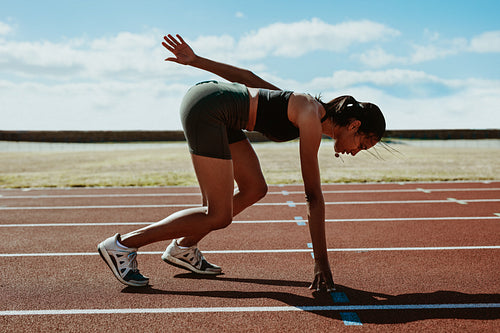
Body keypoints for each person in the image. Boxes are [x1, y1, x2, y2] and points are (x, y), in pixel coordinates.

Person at [98, 34, 385, 291]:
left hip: (220, 112)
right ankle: (122, 246)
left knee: (254, 188)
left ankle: (183, 248)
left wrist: (196, 60)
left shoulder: (309, 108)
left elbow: (249, 77)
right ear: (354, 125)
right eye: (362, 144)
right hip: (209, 108)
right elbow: (312, 195)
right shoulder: (310, 116)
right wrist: (321, 264)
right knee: (218, 215)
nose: (356, 151)